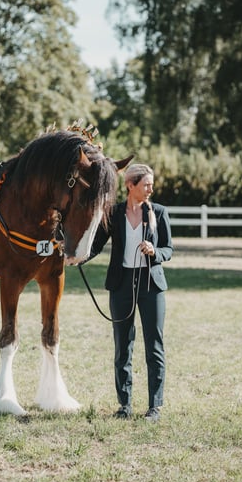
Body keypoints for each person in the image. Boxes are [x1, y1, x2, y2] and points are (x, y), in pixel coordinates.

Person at [86, 163, 173, 421]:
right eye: (146, 184)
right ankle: (124, 405)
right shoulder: (113, 213)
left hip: (151, 285)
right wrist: (77, 258)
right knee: (122, 346)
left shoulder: (158, 211)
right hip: (121, 284)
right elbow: (96, 245)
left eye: (151, 185)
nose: (150, 189)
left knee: (154, 346)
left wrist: (155, 251)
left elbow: (168, 249)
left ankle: (154, 407)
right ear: (130, 186)